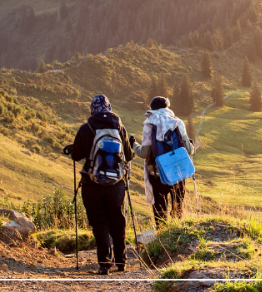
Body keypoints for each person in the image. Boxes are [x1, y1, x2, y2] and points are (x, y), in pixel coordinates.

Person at [69, 94, 133, 275]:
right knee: (118, 221)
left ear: (93, 109)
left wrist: (72, 148)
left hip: (92, 183)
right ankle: (121, 262)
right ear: (109, 107)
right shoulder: (120, 127)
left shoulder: (86, 128)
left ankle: (105, 263)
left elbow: (76, 156)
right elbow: (128, 156)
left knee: (100, 223)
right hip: (116, 184)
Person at [132, 96, 199, 227]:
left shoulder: (149, 124)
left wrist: (133, 144)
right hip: (178, 173)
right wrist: (190, 144)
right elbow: (189, 150)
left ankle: (162, 239)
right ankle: (177, 238)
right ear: (167, 107)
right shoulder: (177, 122)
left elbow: (144, 153)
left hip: (158, 175)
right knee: (177, 210)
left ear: (152, 109)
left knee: (160, 211)